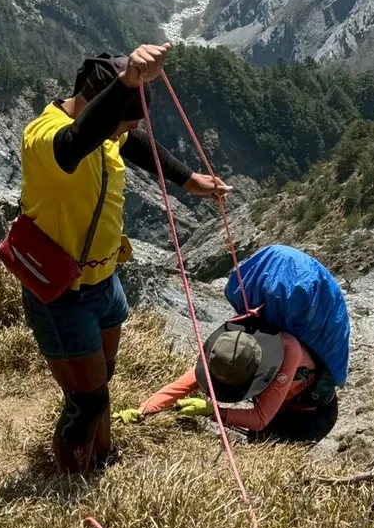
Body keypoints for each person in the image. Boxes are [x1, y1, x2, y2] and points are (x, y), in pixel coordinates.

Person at [20, 43, 229, 474]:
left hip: (103, 281)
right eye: (122, 121)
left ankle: (103, 457)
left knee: (102, 379)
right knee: (86, 401)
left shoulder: (107, 130)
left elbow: (131, 141)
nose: (126, 131)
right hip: (61, 294)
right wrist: (127, 83)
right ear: (98, 106)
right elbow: (75, 144)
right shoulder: (44, 137)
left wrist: (188, 180)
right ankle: (72, 483)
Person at [116, 319, 339, 444]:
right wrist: (141, 411)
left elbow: (260, 418)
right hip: (278, 406)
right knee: (256, 443)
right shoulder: (227, 350)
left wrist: (212, 412)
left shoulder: (289, 352)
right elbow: (179, 387)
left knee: (271, 450)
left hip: (310, 417)